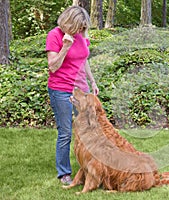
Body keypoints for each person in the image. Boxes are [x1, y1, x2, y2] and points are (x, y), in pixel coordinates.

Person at [45, 6, 99, 185]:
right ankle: (64, 172)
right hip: (61, 89)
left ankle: (89, 168)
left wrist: (92, 82)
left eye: (84, 28)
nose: (81, 31)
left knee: (88, 129)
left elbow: (84, 60)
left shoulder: (81, 36)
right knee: (66, 132)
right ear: (69, 23)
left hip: (81, 90)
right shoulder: (55, 35)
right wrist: (66, 47)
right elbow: (52, 66)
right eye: (79, 27)